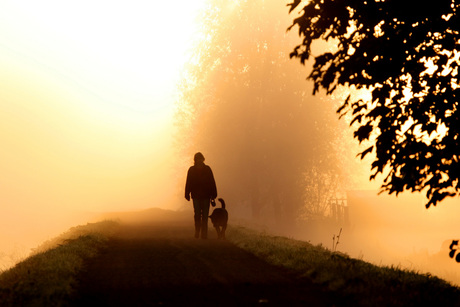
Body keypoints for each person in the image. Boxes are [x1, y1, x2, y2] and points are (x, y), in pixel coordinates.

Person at [185, 152, 217, 239]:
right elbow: (188, 182)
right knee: (197, 214)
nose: (199, 160)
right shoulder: (191, 170)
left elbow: (212, 182)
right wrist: (187, 193)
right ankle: (197, 231)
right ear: (195, 160)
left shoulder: (207, 169)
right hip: (196, 196)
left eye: (200, 158)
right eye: (198, 159)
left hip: (206, 196)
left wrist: (214, 194)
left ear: (203, 159)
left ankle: (204, 234)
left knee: (205, 216)